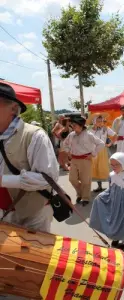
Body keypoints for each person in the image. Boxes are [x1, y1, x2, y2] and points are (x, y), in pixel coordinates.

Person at [0, 82, 59, 232]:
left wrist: (4, 180)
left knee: (36, 254)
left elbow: (48, 179)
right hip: (3, 214)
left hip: (33, 216)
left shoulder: (34, 135)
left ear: (13, 108)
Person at [89, 152, 124, 250]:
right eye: (112, 165)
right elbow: (111, 189)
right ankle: (116, 236)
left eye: (117, 165)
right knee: (115, 220)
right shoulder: (111, 175)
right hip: (114, 202)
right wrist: (101, 195)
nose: (114, 167)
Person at [62, 116, 104, 206]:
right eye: (72, 125)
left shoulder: (89, 134)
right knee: (72, 179)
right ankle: (81, 192)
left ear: (81, 126)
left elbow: (101, 144)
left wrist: (92, 154)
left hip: (85, 159)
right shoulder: (71, 134)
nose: (73, 126)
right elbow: (64, 144)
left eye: (75, 125)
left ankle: (85, 197)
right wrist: (68, 151)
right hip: (74, 159)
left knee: (85, 180)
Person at [88, 113, 117, 192]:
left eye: (101, 121)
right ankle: (99, 186)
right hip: (94, 151)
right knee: (96, 169)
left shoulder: (105, 129)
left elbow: (115, 135)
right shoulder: (90, 131)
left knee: (106, 168)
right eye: (98, 121)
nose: (100, 123)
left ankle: (111, 186)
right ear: (94, 122)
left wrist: (110, 144)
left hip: (104, 151)